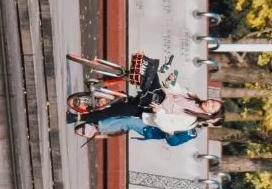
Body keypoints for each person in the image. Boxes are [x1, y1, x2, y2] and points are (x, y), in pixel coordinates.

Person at [73, 56, 222, 144]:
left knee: (127, 120)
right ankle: (104, 81)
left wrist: (169, 130)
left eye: (212, 107)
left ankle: (96, 126)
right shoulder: (193, 97)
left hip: (151, 125)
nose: (209, 103)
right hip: (156, 101)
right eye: (212, 101)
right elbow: (175, 91)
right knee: (147, 74)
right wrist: (170, 82)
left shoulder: (191, 128)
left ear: (211, 118)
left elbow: (171, 136)